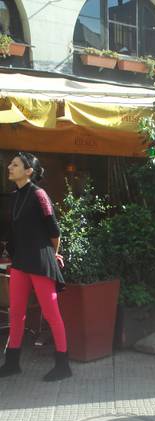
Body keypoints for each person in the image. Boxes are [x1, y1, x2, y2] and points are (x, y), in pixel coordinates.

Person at [0, 152, 72, 381]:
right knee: (17, 313)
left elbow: (54, 231)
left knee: (51, 314)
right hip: (21, 262)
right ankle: (12, 363)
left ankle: (63, 366)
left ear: (28, 171)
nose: (9, 167)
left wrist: (54, 255)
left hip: (41, 261)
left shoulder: (39, 194)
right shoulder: (15, 196)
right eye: (10, 164)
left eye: (15, 164)